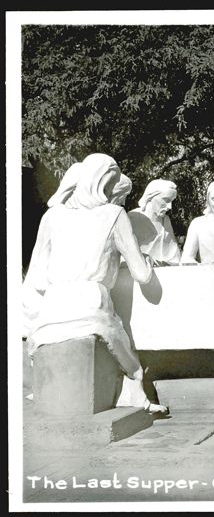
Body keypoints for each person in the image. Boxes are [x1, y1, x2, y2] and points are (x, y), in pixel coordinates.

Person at [23, 153, 166, 413]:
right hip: (91, 303)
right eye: (110, 187)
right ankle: (134, 392)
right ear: (101, 184)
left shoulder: (51, 216)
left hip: (52, 308)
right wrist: (146, 259)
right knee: (123, 338)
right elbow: (142, 276)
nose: (111, 193)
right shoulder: (114, 214)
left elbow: (36, 278)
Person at [129, 179, 181, 265]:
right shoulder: (133, 217)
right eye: (166, 200)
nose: (169, 207)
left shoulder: (166, 221)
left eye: (171, 201)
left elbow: (175, 258)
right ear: (151, 196)